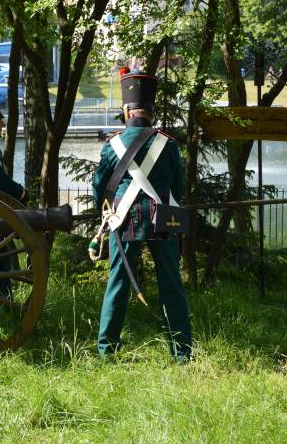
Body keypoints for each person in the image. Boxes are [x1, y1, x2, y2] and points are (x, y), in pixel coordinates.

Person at [92, 69, 192, 362]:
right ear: (151, 110)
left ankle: (107, 351)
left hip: (124, 218)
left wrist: (105, 211)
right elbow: (178, 187)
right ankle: (182, 353)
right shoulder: (167, 143)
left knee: (118, 283)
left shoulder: (113, 145)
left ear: (126, 111)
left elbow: (100, 188)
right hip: (163, 216)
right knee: (171, 284)